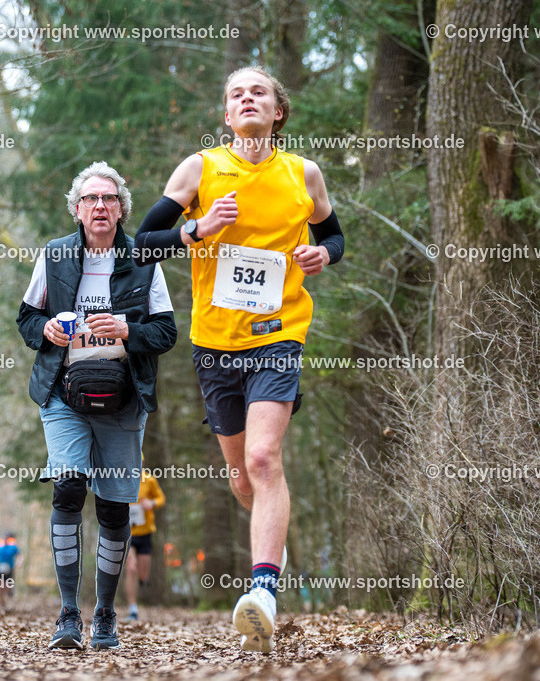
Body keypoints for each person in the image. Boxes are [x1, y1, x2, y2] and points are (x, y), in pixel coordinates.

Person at [134, 66, 344, 653]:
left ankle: (263, 592)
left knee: (263, 456)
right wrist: (197, 228)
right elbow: (139, 244)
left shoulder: (304, 173)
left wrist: (321, 254)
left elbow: (336, 237)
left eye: (259, 92)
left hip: (279, 333)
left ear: (278, 111)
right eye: (235, 94)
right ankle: (268, 536)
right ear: (227, 116)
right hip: (214, 342)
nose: (247, 99)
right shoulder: (200, 169)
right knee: (243, 478)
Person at [17, 161, 177, 650]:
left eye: (109, 199)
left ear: (122, 208)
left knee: (113, 508)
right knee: (67, 488)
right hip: (64, 394)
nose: (100, 207)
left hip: (125, 399)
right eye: (91, 199)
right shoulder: (55, 255)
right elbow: (26, 317)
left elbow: (167, 331)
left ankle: (105, 615)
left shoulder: (145, 258)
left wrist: (128, 330)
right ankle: (68, 615)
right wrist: (43, 329)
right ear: (78, 209)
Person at [124, 469, 166, 621]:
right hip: (127, 532)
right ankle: (132, 608)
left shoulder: (149, 480)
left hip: (145, 532)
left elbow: (161, 498)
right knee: (131, 568)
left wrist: (152, 502)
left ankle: (143, 580)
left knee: (143, 572)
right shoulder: (122, 477)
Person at [0, 532, 20, 610]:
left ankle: (9, 603)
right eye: (4, 537)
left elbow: (19, 556)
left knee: (8, 587)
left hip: (9, 569)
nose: (5, 539)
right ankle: (2, 604)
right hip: (0, 568)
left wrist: (19, 563)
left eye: (7, 538)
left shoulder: (13, 548)